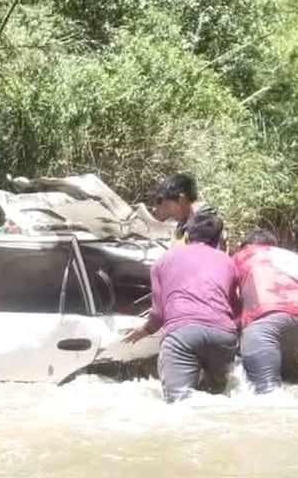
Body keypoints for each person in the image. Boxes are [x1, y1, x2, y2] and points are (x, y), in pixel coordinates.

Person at [124, 212, 239, 403]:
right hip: (223, 336)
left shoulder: (163, 261)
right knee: (217, 402)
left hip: (182, 335)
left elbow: (159, 313)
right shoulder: (228, 262)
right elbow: (234, 308)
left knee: (180, 406)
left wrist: (145, 330)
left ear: (186, 236)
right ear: (218, 239)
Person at [232, 229, 298, 394]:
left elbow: (227, 300)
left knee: (267, 394)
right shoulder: (289, 257)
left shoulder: (241, 256)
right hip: (288, 322)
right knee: (290, 380)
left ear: (246, 246)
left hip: (267, 322)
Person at [152, 173, 218, 247]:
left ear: (181, 200)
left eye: (168, 206)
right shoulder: (185, 221)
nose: (168, 212)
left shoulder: (205, 223)